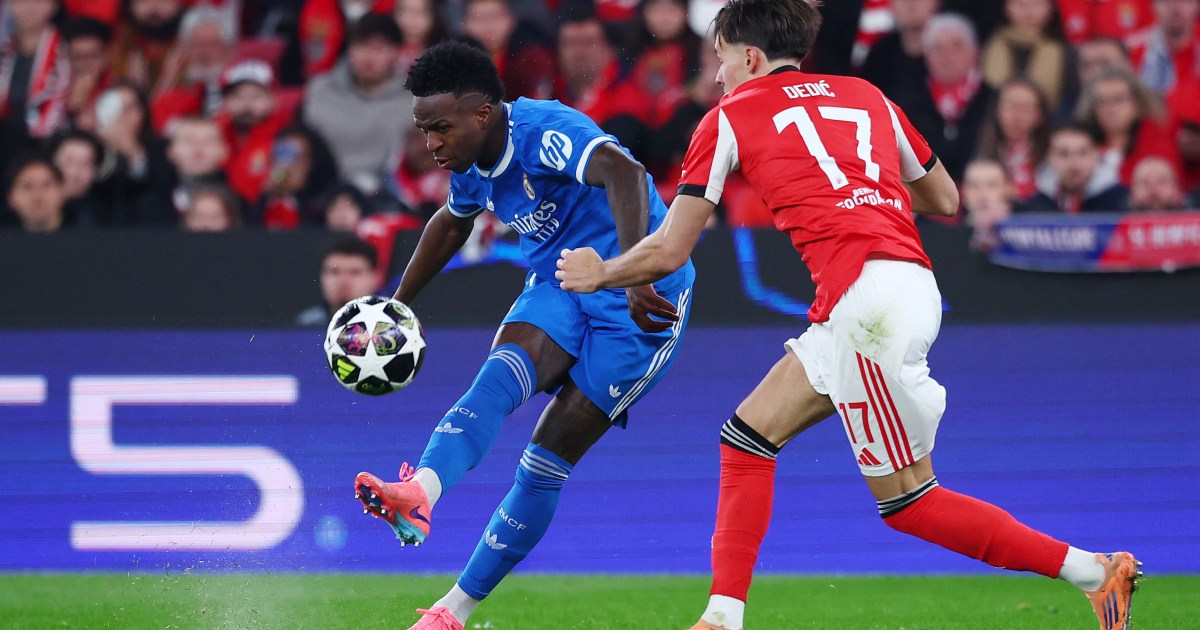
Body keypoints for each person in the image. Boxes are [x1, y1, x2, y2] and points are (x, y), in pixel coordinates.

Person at [553, 3, 1140, 630]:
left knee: (911, 503)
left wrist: (602, 273)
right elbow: (945, 198)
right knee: (746, 436)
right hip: (887, 288)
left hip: (867, 303)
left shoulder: (727, 117)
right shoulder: (866, 95)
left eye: (721, 59)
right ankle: (722, 616)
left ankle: (1093, 571)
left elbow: (671, 248)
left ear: (749, 56)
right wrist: (860, 189)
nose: (718, 74)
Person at [352, 40, 694, 630]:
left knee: (541, 464)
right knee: (496, 381)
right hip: (562, 281)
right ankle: (420, 492)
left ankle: (453, 610)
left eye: (440, 128)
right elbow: (452, 222)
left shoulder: (544, 130)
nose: (431, 143)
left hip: (641, 301)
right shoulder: (470, 163)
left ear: (483, 114)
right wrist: (396, 304)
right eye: (424, 130)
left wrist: (636, 274)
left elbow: (626, 172)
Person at [303, 13, 411, 196]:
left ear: (396, 52)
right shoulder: (320, 90)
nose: (368, 58)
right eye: (361, 46)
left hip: (386, 194)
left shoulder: (412, 101)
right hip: (320, 190)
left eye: (378, 49)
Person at [1026, 121, 1130, 212]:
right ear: (1049, 157)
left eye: (1082, 153)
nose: (1074, 163)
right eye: (1063, 154)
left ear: (1097, 155)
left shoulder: (1123, 202)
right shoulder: (1033, 207)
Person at [295, 235, 382, 327]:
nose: (344, 281)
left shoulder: (389, 325)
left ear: (375, 278)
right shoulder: (305, 325)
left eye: (355, 272)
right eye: (334, 272)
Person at [3, 153, 67, 232]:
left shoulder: (82, 234)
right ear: (11, 198)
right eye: (27, 186)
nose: (37, 195)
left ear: (62, 193)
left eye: (46, 185)